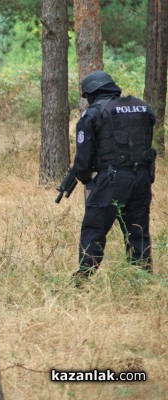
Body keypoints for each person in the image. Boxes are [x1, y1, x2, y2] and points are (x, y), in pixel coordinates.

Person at [71, 70, 156, 286]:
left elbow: (83, 157)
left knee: (94, 228)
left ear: (92, 92)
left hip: (112, 180)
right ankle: (142, 279)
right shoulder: (142, 107)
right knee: (137, 230)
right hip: (142, 179)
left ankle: (83, 279)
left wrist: (87, 179)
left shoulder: (94, 113)